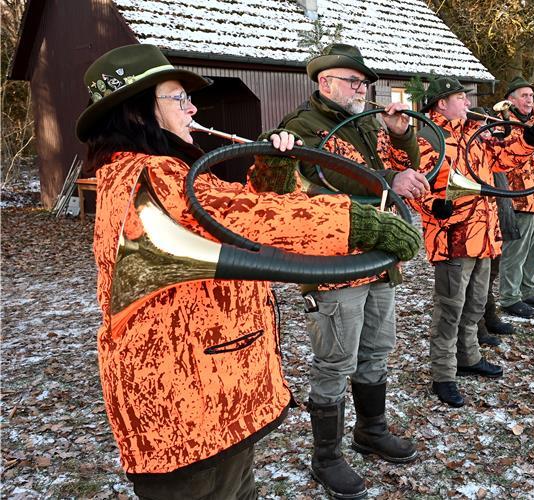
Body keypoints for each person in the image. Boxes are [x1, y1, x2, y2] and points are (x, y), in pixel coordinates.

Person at [77, 44, 420, 500]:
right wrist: (359, 223)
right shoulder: (151, 175)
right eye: (179, 98)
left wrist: (272, 172)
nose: (192, 108)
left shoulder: (167, 170)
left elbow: (237, 213)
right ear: (137, 112)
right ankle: (329, 454)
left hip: (210, 391)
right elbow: (240, 219)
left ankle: (368, 430)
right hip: (185, 403)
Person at [278, 43, 428, 499]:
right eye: (354, 82)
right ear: (325, 82)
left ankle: (371, 431)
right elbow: (328, 176)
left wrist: (401, 137)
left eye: (364, 84)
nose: (362, 90)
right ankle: (326, 457)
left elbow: (408, 172)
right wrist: (388, 179)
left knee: (377, 349)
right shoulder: (301, 127)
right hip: (335, 263)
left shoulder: (366, 124)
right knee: (335, 360)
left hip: (378, 257)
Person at [413, 76, 534, 407]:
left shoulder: (474, 134)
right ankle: (443, 374)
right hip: (452, 237)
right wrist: (433, 206)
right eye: (461, 98)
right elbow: (417, 185)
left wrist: (527, 141)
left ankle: (468, 357)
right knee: (449, 310)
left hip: (483, 236)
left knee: (474, 305)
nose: (468, 103)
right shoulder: (428, 138)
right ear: (442, 103)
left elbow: (504, 159)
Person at [494, 76, 534, 320]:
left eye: (531, 95)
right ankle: (509, 296)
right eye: (524, 96)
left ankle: (527, 289)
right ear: (511, 100)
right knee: (515, 252)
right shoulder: (504, 122)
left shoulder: (530, 121)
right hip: (519, 197)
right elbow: (511, 153)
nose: (530, 100)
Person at [469, 106, 517, 348]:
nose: (486, 131)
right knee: (479, 280)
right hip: (483, 219)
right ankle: (478, 325)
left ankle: (489, 316)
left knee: (492, 273)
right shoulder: (472, 149)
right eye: (481, 126)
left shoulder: (490, 147)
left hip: (498, 217)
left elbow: (511, 146)